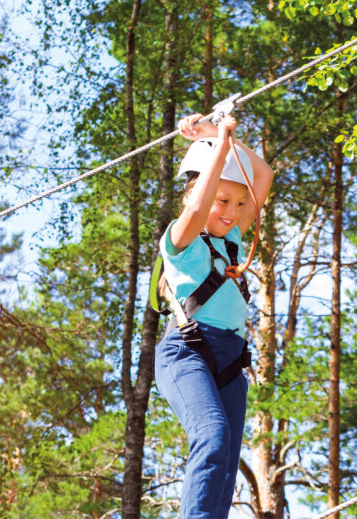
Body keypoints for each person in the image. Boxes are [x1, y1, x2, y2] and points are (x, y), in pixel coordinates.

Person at [154, 112, 274, 519]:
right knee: (212, 436)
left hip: (230, 362)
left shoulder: (233, 239)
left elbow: (264, 176)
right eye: (224, 201)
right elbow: (201, 203)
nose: (232, 211)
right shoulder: (180, 238)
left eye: (238, 204)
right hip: (186, 352)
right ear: (195, 195)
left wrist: (217, 137)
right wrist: (219, 144)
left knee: (225, 467)